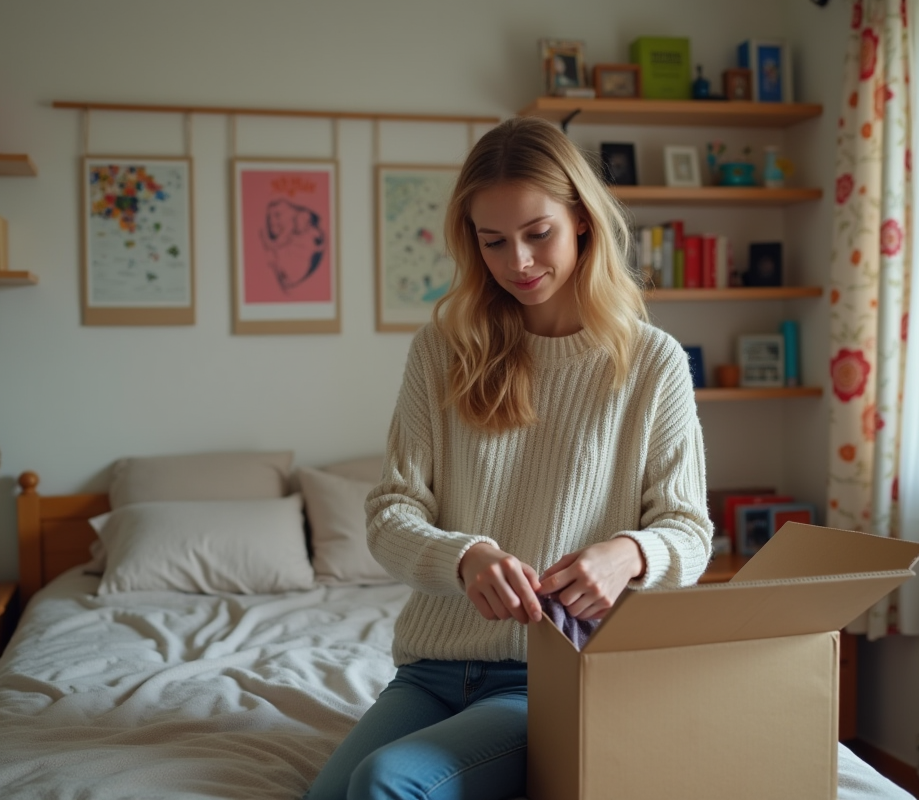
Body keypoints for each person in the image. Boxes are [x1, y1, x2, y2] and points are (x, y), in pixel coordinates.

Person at [305, 116, 712, 800]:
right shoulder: (444, 350)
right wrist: (463, 558)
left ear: (581, 219)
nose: (517, 262)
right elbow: (390, 514)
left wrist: (630, 554)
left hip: (553, 677)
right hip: (432, 669)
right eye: (493, 242)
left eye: (537, 234)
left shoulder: (651, 363)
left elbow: (689, 532)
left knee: (384, 784)